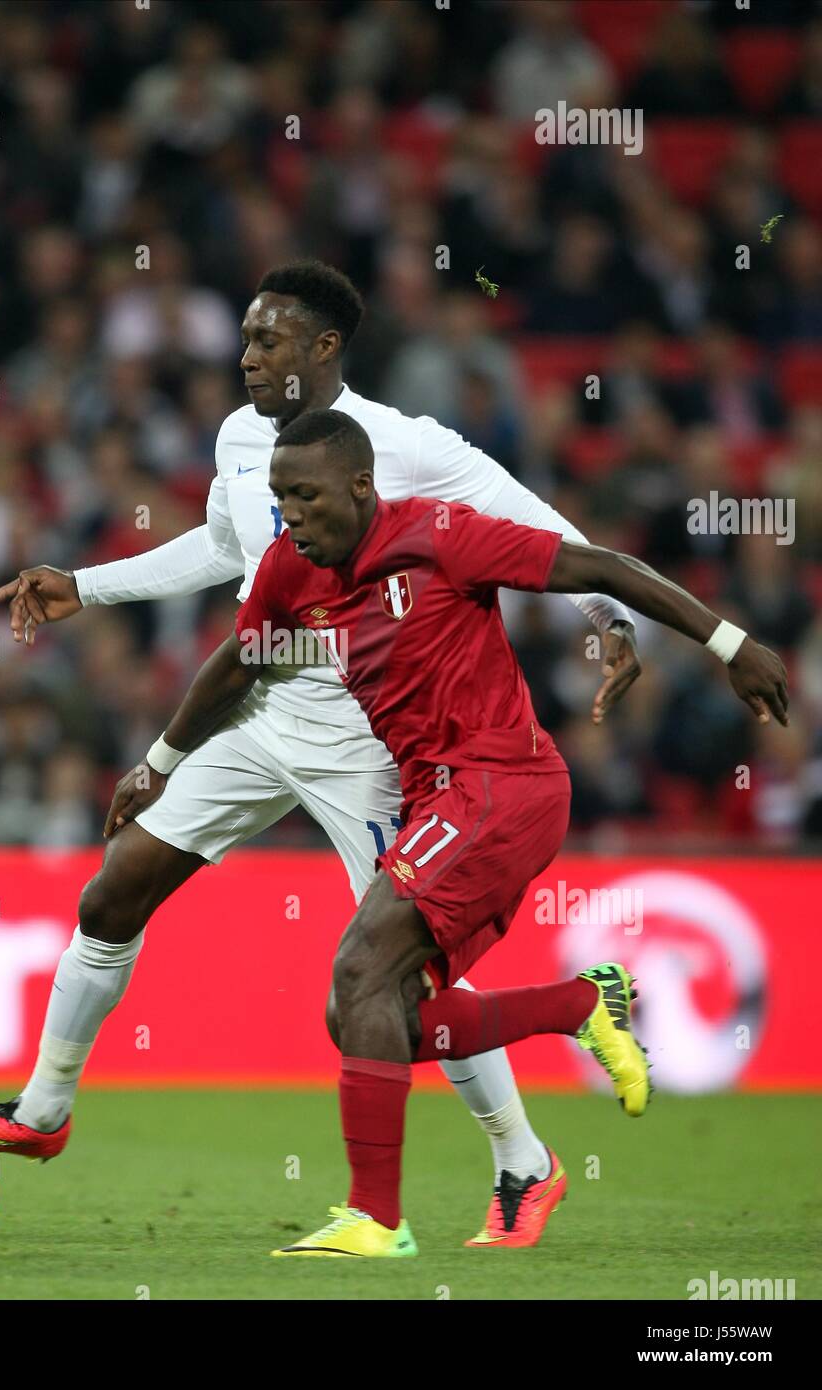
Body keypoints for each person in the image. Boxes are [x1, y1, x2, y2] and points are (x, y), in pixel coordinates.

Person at [0, 262, 642, 1248]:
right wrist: (87, 587)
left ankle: (522, 1159)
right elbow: (230, 552)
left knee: (400, 976)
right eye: (248, 336)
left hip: (373, 742)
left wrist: (607, 622)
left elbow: (542, 527)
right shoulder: (236, 436)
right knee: (114, 887)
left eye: (268, 339)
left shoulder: (406, 446)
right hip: (258, 716)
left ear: (324, 347)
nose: (247, 355)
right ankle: (43, 1113)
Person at [104, 408, 788, 1257]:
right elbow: (239, 662)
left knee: (360, 969)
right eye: (281, 497)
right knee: (365, 1012)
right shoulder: (289, 565)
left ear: (362, 487)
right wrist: (160, 761)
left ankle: (376, 1220)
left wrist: (730, 643)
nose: (293, 516)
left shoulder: (441, 536)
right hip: (439, 799)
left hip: (502, 784)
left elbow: (601, 565)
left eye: (308, 497)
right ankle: (580, 1004)